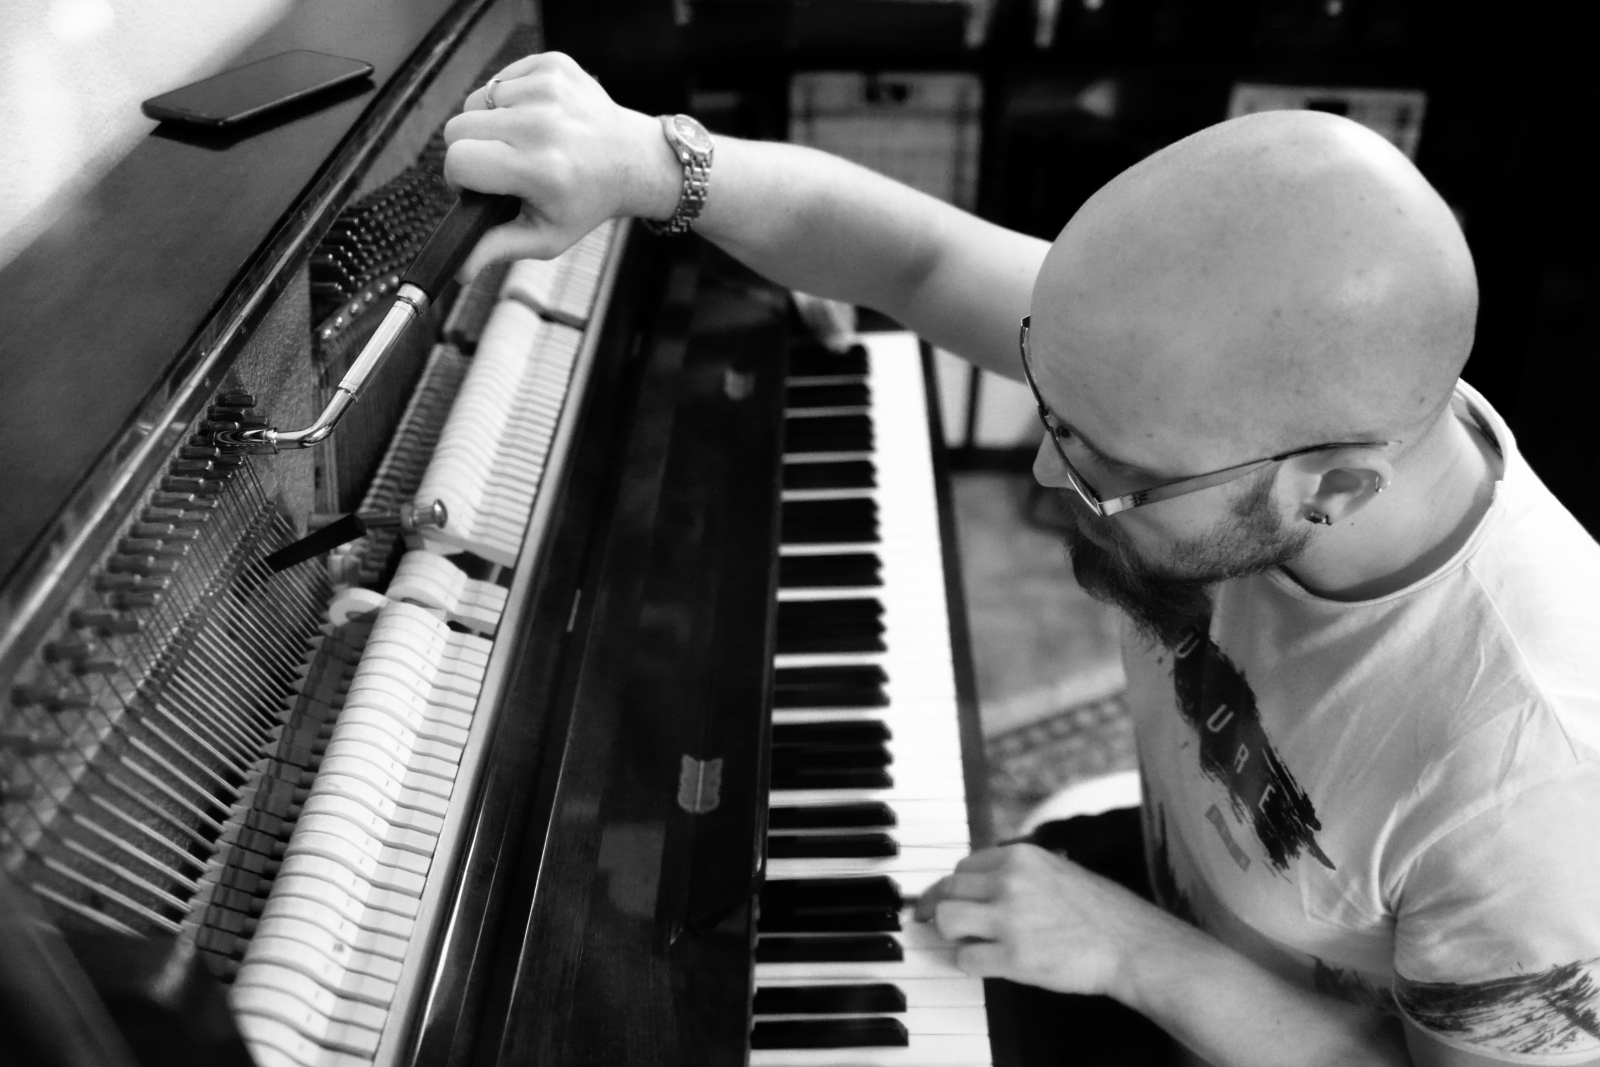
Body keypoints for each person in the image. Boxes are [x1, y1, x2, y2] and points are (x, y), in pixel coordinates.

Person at [441, 52, 1600, 1067]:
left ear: (1331, 489)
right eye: (1053, 405)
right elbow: (917, 261)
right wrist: (654, 162)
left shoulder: (1537, 788)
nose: (1048, 472)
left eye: (1107, 465)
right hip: (1182, 889)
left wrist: (1139, 955)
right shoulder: (1243, 386)